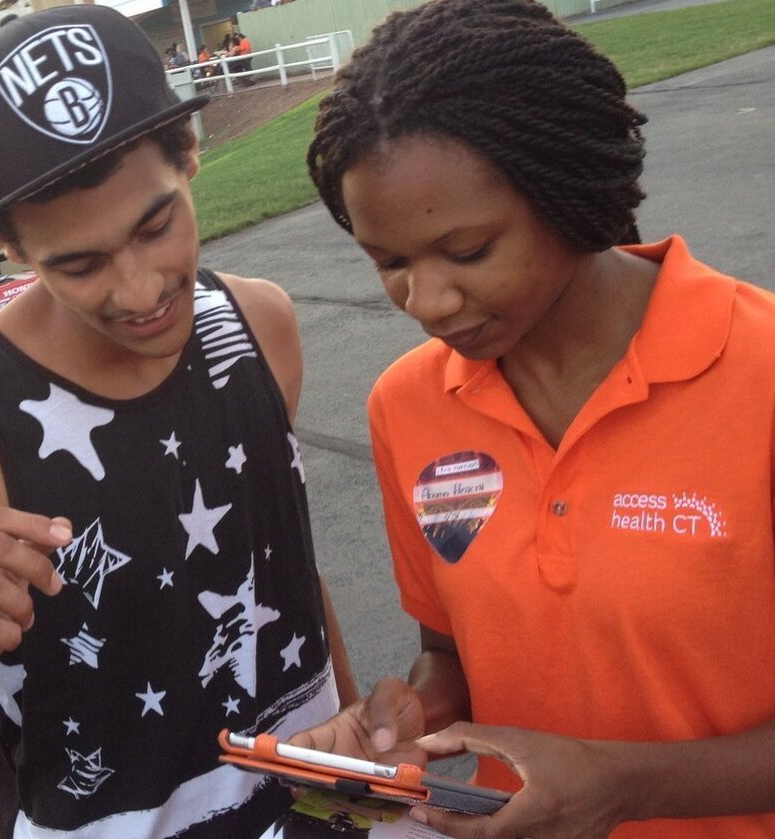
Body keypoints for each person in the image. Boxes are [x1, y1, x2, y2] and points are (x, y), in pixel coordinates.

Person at [0, 5, 357, 838]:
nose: (139, 290)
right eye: (80, 262)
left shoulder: (260, 327)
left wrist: (359, 760)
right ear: (10, 247)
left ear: (191, 154)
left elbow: (285, 570)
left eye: (156, 224)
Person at [295, 0, 775, 837]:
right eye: (391, 262)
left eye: (469, 251)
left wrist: (626, 785)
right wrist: (411, 710)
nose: (429, 301)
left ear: (567, 190)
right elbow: (454, 650)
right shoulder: (406, 407)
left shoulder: (760, 374)